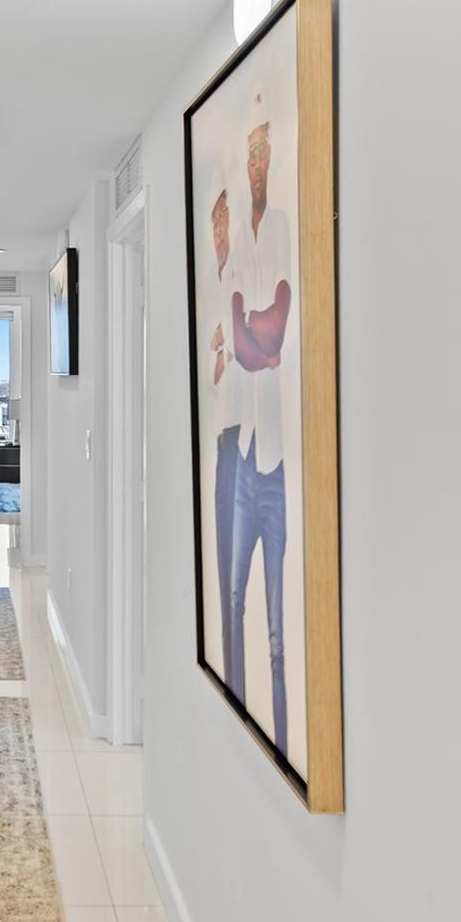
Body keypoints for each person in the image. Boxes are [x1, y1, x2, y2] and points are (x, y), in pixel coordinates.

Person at [226, 91, 295, 750]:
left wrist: (253, 329)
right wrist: (252, 334)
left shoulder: (277, 229)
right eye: (245, 153)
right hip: (242, 456)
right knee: (235, 605)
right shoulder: (242, 241)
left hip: (276, 463)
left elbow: (270, 324)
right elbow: (244, 342)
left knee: (278, 634)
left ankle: (281, 744)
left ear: (271, 159)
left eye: (260, 152)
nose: (254, 163)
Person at [204, 161, 247, 701]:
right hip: (222, 440)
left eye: (223, 222)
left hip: (245, 438)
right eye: (213, 223)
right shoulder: (213, 286)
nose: (218, 233)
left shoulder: (241, 281)